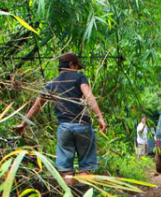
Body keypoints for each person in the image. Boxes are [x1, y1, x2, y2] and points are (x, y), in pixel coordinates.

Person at [16, 53, 106, 185]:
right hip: (82, 126)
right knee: (85, 167)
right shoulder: (79, 77)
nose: (78, 70)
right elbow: (88, 95)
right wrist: (99, 117)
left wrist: (23, 124)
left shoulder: (52, 84)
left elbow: (36, 106)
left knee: (67, 171)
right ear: (71, 65)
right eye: (77, 66)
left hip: (64, 128)